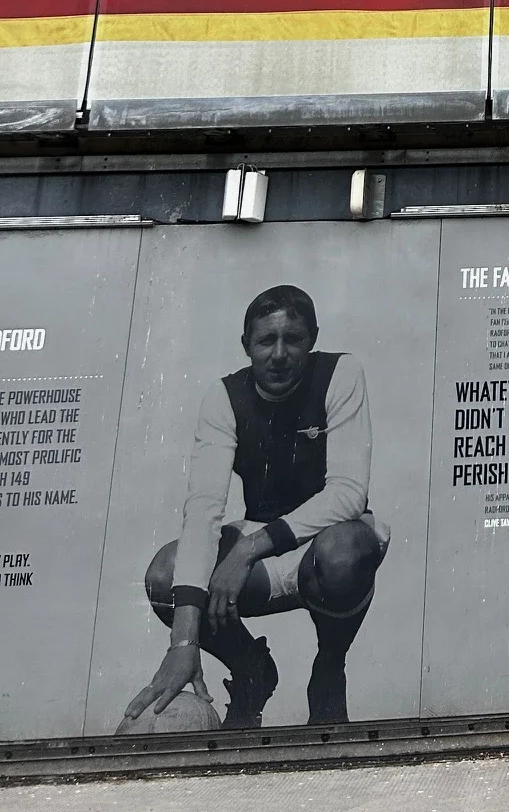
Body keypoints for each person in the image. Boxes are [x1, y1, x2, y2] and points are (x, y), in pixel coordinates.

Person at [118, 285, 388, 732]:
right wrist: (183, 641)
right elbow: (203, 509)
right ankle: (250, 670)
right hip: (263, 541)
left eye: (293, 340)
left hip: (324, 539)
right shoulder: (223, 398)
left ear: (312, 339)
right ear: (246, 346)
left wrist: (247, 551)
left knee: (343, 552)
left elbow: (348, 494)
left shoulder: (341, 373)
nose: (279, 354)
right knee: (165, 576)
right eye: (266, 341)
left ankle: (329, 667)